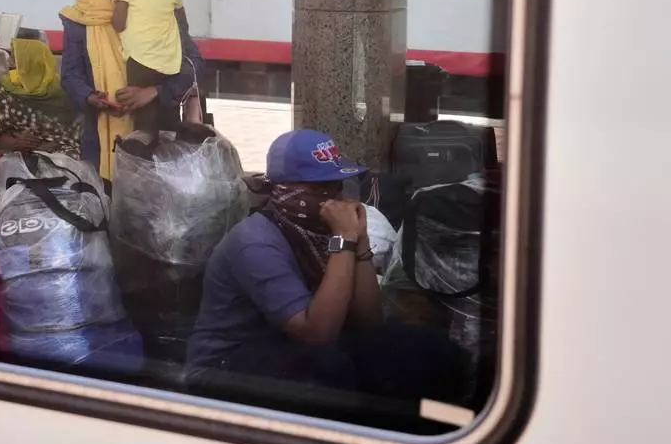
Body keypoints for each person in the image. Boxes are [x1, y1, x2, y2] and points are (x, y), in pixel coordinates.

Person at [186, 129, 464, 403]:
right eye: (320, 189)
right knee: (329, 367)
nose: (334, 198)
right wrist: (343, 241)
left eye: (337, 186)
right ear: (282, 190)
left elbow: (368, 321)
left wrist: (360, 239)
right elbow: (317, 333)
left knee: (427, 349)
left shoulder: (318, 230)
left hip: (288, 346)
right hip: (225, 364)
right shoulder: (255, 242)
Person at [59, 0, 204, 181]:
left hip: (157, 138)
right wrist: (90, 96)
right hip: (100, 143)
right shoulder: (79, 16)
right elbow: (70, 75)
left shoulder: (159, 6)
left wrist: (153, 92)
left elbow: (193, 64)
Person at [112, 0, 187, 144]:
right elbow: (182, 26)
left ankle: (144, 144)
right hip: (169, 61)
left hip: (139, 59)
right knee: (167, 111)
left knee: (144, 117)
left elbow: (119, 24)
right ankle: (169, 142)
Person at [0, 33, 81, 157]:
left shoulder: (62, 91)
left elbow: (75, 135)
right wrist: (17, 143)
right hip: (14, 151)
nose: (10, 62)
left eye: (15, 57)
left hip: (57, 154)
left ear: (30, 58)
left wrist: (42, 145)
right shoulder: (7, 87)